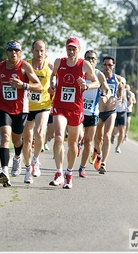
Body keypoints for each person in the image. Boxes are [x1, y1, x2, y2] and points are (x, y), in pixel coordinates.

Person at [0, 40, 43, 187]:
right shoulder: (1, 66)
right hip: (4, 106)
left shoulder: (25, 66)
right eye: (11, 50)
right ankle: (4, 171)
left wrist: (23, 85)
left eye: (16, 50)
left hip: (21, 109)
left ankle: (17, 158)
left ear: (21, 53)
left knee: (17, 140)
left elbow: (39, 86)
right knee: (5, 136)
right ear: (7, 52)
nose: (13, 53)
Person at [48, 37, 99, 189]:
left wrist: (86, 85)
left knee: (72, 144)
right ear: (66, 49)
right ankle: (58, 173)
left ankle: (69, 173)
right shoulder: (59, 62)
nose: (71, 52)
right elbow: (53, 75)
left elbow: (97, 82)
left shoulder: (84, 65)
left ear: (79, 50)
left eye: (74, 49)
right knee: (58, 138)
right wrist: (52, 84)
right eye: (69, 49)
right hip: (60, 106)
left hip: (76, 109)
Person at [22, 40, 54, 184]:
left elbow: (58, 81)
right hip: (27, 106)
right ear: (32, 50)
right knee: (27, 140)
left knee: (40, 132)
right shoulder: (25, 65)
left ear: (45, 51)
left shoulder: (51, 66)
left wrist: (54, 87)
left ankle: (36, 160)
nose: (39, 53)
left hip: (44, 104)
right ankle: (28, 169)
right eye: (37, 50)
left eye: (42, 50)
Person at [78, 50, 110, 177]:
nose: (90, 60)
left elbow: (107, 90)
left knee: (89, 141)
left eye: (93, 59)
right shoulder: (79, 72)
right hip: (79, 111)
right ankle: (78, 144)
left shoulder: (99, 74)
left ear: (96, 61)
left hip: (93, 112)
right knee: (80, 136)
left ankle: (82, 168)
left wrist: (106, 97)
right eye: (88, 58)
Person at [91, 55, 125, 174]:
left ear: (113, 66)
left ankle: (104, 163)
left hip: (111, 111)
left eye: (110, 65)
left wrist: (120, 98)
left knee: (107, 136)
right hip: (99, 111)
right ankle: (97, 153)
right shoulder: (98, 77)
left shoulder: (117, 79)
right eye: (105, 64)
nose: (107, 67)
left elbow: (121, 89)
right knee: (98, 138)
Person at [110, 77, 128, 153]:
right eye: (121, 83)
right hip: (115, 112)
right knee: (114, 131)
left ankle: (118, 146)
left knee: (122, 131)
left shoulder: (127, 92)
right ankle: (113, 135)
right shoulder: (115, 90)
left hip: (123, 112)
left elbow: (132, 100)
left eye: (123, 83)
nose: (122, 84)